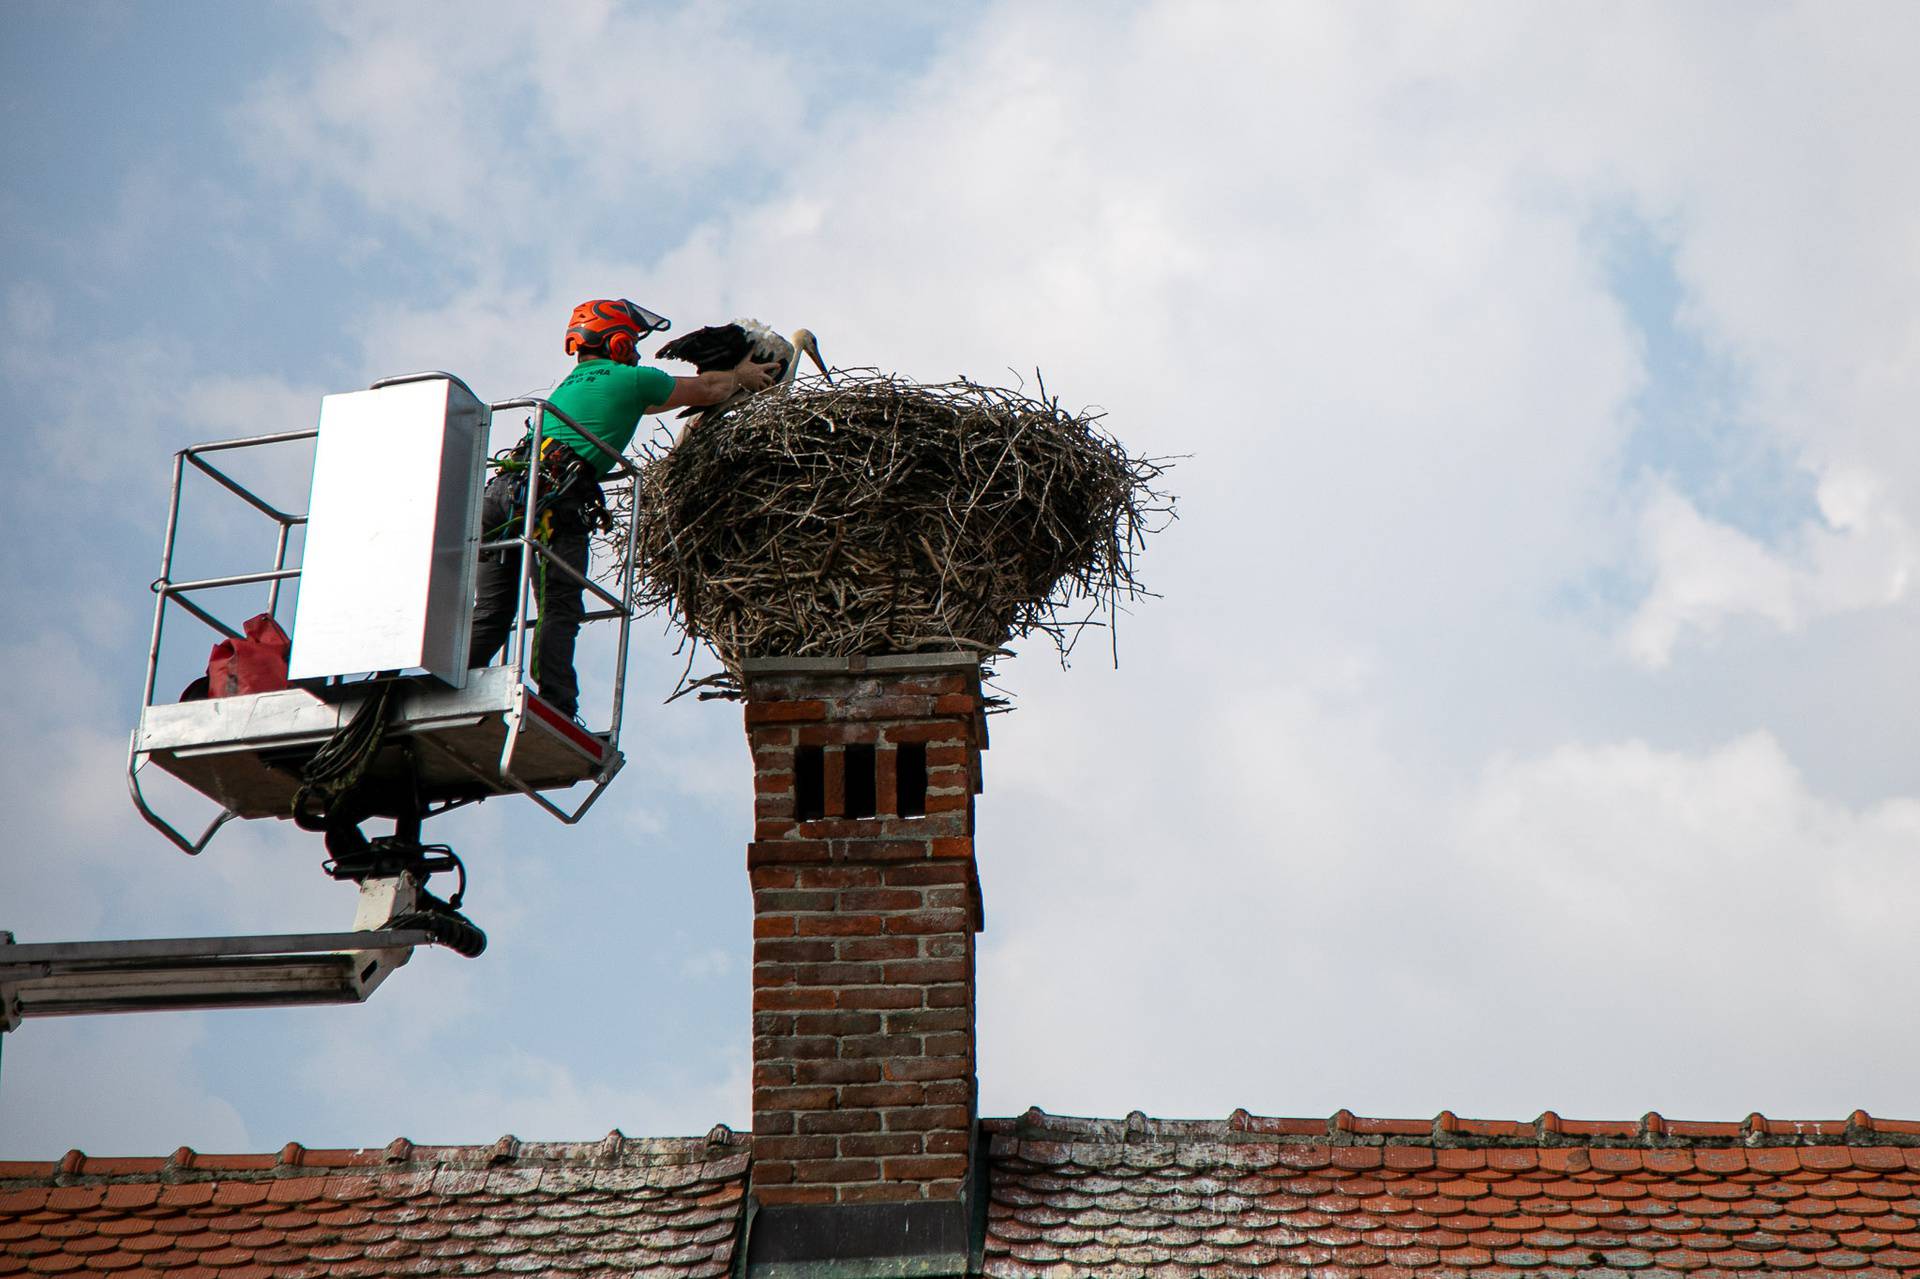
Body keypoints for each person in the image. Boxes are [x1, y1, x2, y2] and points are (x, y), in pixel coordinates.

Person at [467, 298, 776, 718]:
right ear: (615, 343)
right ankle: (556, 705)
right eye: (630, 341)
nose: (636, 350)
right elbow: (711, 390)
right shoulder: (629, 379)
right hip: (551, 500)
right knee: (560, 608)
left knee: (492, 612)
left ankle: (445, 683)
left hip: (500, 495)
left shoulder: (571, 384)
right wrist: (741, 374)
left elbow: (652, 404)